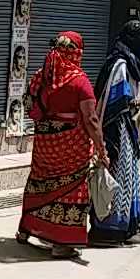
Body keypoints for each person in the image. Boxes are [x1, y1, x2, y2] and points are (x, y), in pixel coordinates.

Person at [17, 32, 107, 258]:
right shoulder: (79, 81)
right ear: (76, 52)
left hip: (44, 143)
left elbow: (29, 103)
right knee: (72, 189)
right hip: (71, 148)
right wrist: (101, 148)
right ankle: (61, 243)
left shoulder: (42, 75)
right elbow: (91, 119)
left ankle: (26, 230)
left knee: (39, 181)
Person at [91, 21, 140, 245]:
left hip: (128, 129)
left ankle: (123, 226)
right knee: (116, 176)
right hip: (117, 131)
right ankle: (108, 229)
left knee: (127, 177)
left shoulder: (131, 63)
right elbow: (112, 102)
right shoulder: (119, 64)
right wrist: (134, 103)